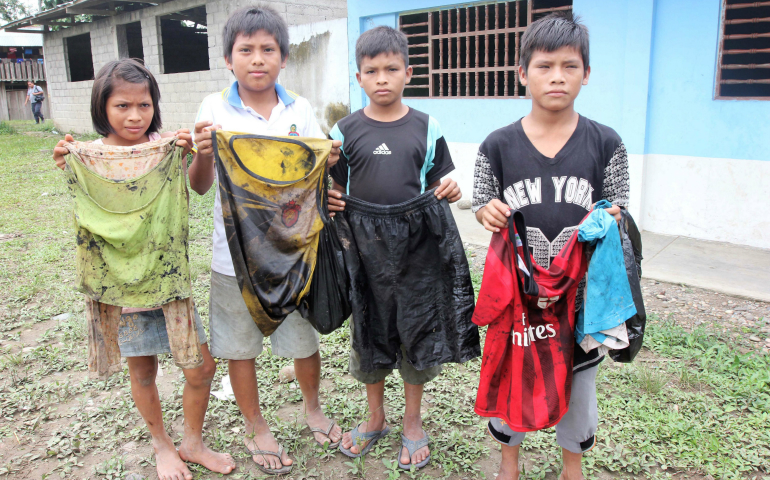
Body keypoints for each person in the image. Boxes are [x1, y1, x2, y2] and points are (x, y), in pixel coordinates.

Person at [52, 58, 236, 480]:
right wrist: (70, 160)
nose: (135, 115)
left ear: (155, 105)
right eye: (122, 106)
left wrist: (198, 154)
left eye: (144, 105)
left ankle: (192, 442)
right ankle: (162, 445)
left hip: (169, 279)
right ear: (103, 108)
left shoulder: (167, 148)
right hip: (119, 286)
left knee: (202, 368)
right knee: (144, 369)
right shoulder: (88, 157)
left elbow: (199, 184)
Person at [472, 12, 629, 480]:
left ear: (586, 73)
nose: (557, 76)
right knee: (510, 370)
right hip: (517, 295)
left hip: (581, 297)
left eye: (569, 65)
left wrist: (612, 216)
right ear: (522, 73)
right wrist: (486, 211)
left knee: (579, 380)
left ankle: (572, 465)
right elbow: (482, 200)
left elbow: (619, 207)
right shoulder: (497, 145)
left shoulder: (606, 143)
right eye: (544, 65)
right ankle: (508, 461)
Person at [187, 6, 342, 476]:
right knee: (238, 348)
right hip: (232, 259)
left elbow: (316, 173)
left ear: (283, 58)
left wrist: (329, 168)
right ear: (228, 60)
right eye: (246, 50)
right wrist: (201, 154)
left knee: (303, 341)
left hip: (293, 253)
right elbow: (198, 186)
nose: (258, 59)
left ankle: (312, 409)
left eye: (268, 50)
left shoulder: (299, 110)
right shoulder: (213, 110)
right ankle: (258, 427)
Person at [327, 26, 468, 470]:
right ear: (359, 77)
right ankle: (374, 419)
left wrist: (450, 190)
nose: (382, 78)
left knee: (416, 329)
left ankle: (412, 423)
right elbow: (329, 188)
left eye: (391, 69)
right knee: (370, 330)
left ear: (409, 72)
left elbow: (439, 186)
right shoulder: (343, 131)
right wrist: (328, 196)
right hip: (363, 250)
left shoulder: (428, 127)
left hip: (417, 252)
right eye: (372, 71)